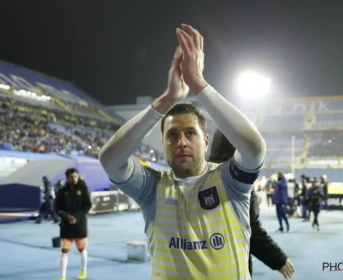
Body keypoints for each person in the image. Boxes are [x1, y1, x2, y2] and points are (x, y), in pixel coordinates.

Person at [99, 24, 266, 279]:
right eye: (172, 135)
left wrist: (198, 84)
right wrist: (168, 98)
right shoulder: (152, 188)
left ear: (206, 140)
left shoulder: (228, 181)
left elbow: (254, 148)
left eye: (191, 134)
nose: (181, 142)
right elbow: (110, 160)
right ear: (164, 142)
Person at [208, 128, 294, 279]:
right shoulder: (239, 181)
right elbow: (249, 228)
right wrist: (278, 259)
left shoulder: (198, 178)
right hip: (232, 266)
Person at [55, 168, 92, 280]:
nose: (74, 179)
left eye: (75, 176)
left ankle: (83, 269)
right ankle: (62, 276)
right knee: (64, 251)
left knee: (81, 249)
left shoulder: (83, 189)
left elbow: (87, 206)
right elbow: (57, 208)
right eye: (71, 177)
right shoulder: (62, 191)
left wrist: (77, 217)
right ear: (67, 178)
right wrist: (66, 216)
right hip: (66, 225)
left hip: (80, 225)